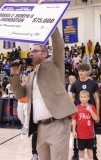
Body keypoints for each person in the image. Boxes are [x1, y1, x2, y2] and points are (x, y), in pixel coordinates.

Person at [10, 5, 77, 160]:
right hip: (40, 128)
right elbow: (20, 95)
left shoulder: (55, 64)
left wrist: (49, 20)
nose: (31, 53)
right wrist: (15, 75)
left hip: (57, 123)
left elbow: (59, 44)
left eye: (34, 51)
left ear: (45, 53)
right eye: (30, 52)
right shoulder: (32, 74)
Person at [70, 63, 100, 160]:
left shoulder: (93, 84)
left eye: (83, 71)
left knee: (93, 133)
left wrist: (97, 113)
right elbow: (73, 98)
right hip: (79, 113)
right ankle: (76, 154)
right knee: (76, 133)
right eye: (79, 71)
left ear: (87, 71)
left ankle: (94, 154)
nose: (81, 73)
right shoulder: (75, 84)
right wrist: (71, 112)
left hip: (90, 113)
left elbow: (97, 99)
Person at [17, 72, 38, 160]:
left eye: (26, 76)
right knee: (20, 116)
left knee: (26, 115)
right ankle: (24, 125)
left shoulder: (30, 85)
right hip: (20, 101)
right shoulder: (19, 85)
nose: (24, 78)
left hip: (27, 102)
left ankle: (26, 127)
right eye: (23, 76)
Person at [72, 90, 98, 160]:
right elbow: (74, 120)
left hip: (90, 134)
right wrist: (73, 131)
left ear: (88, 98)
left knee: (90, 149)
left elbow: (96, 119)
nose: (83, 98)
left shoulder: (92, 107)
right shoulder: (77, 107)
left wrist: (90, 111)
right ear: (79, 98)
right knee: (81, 150)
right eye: (81, 97)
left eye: (85, 97)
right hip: (80, 133)